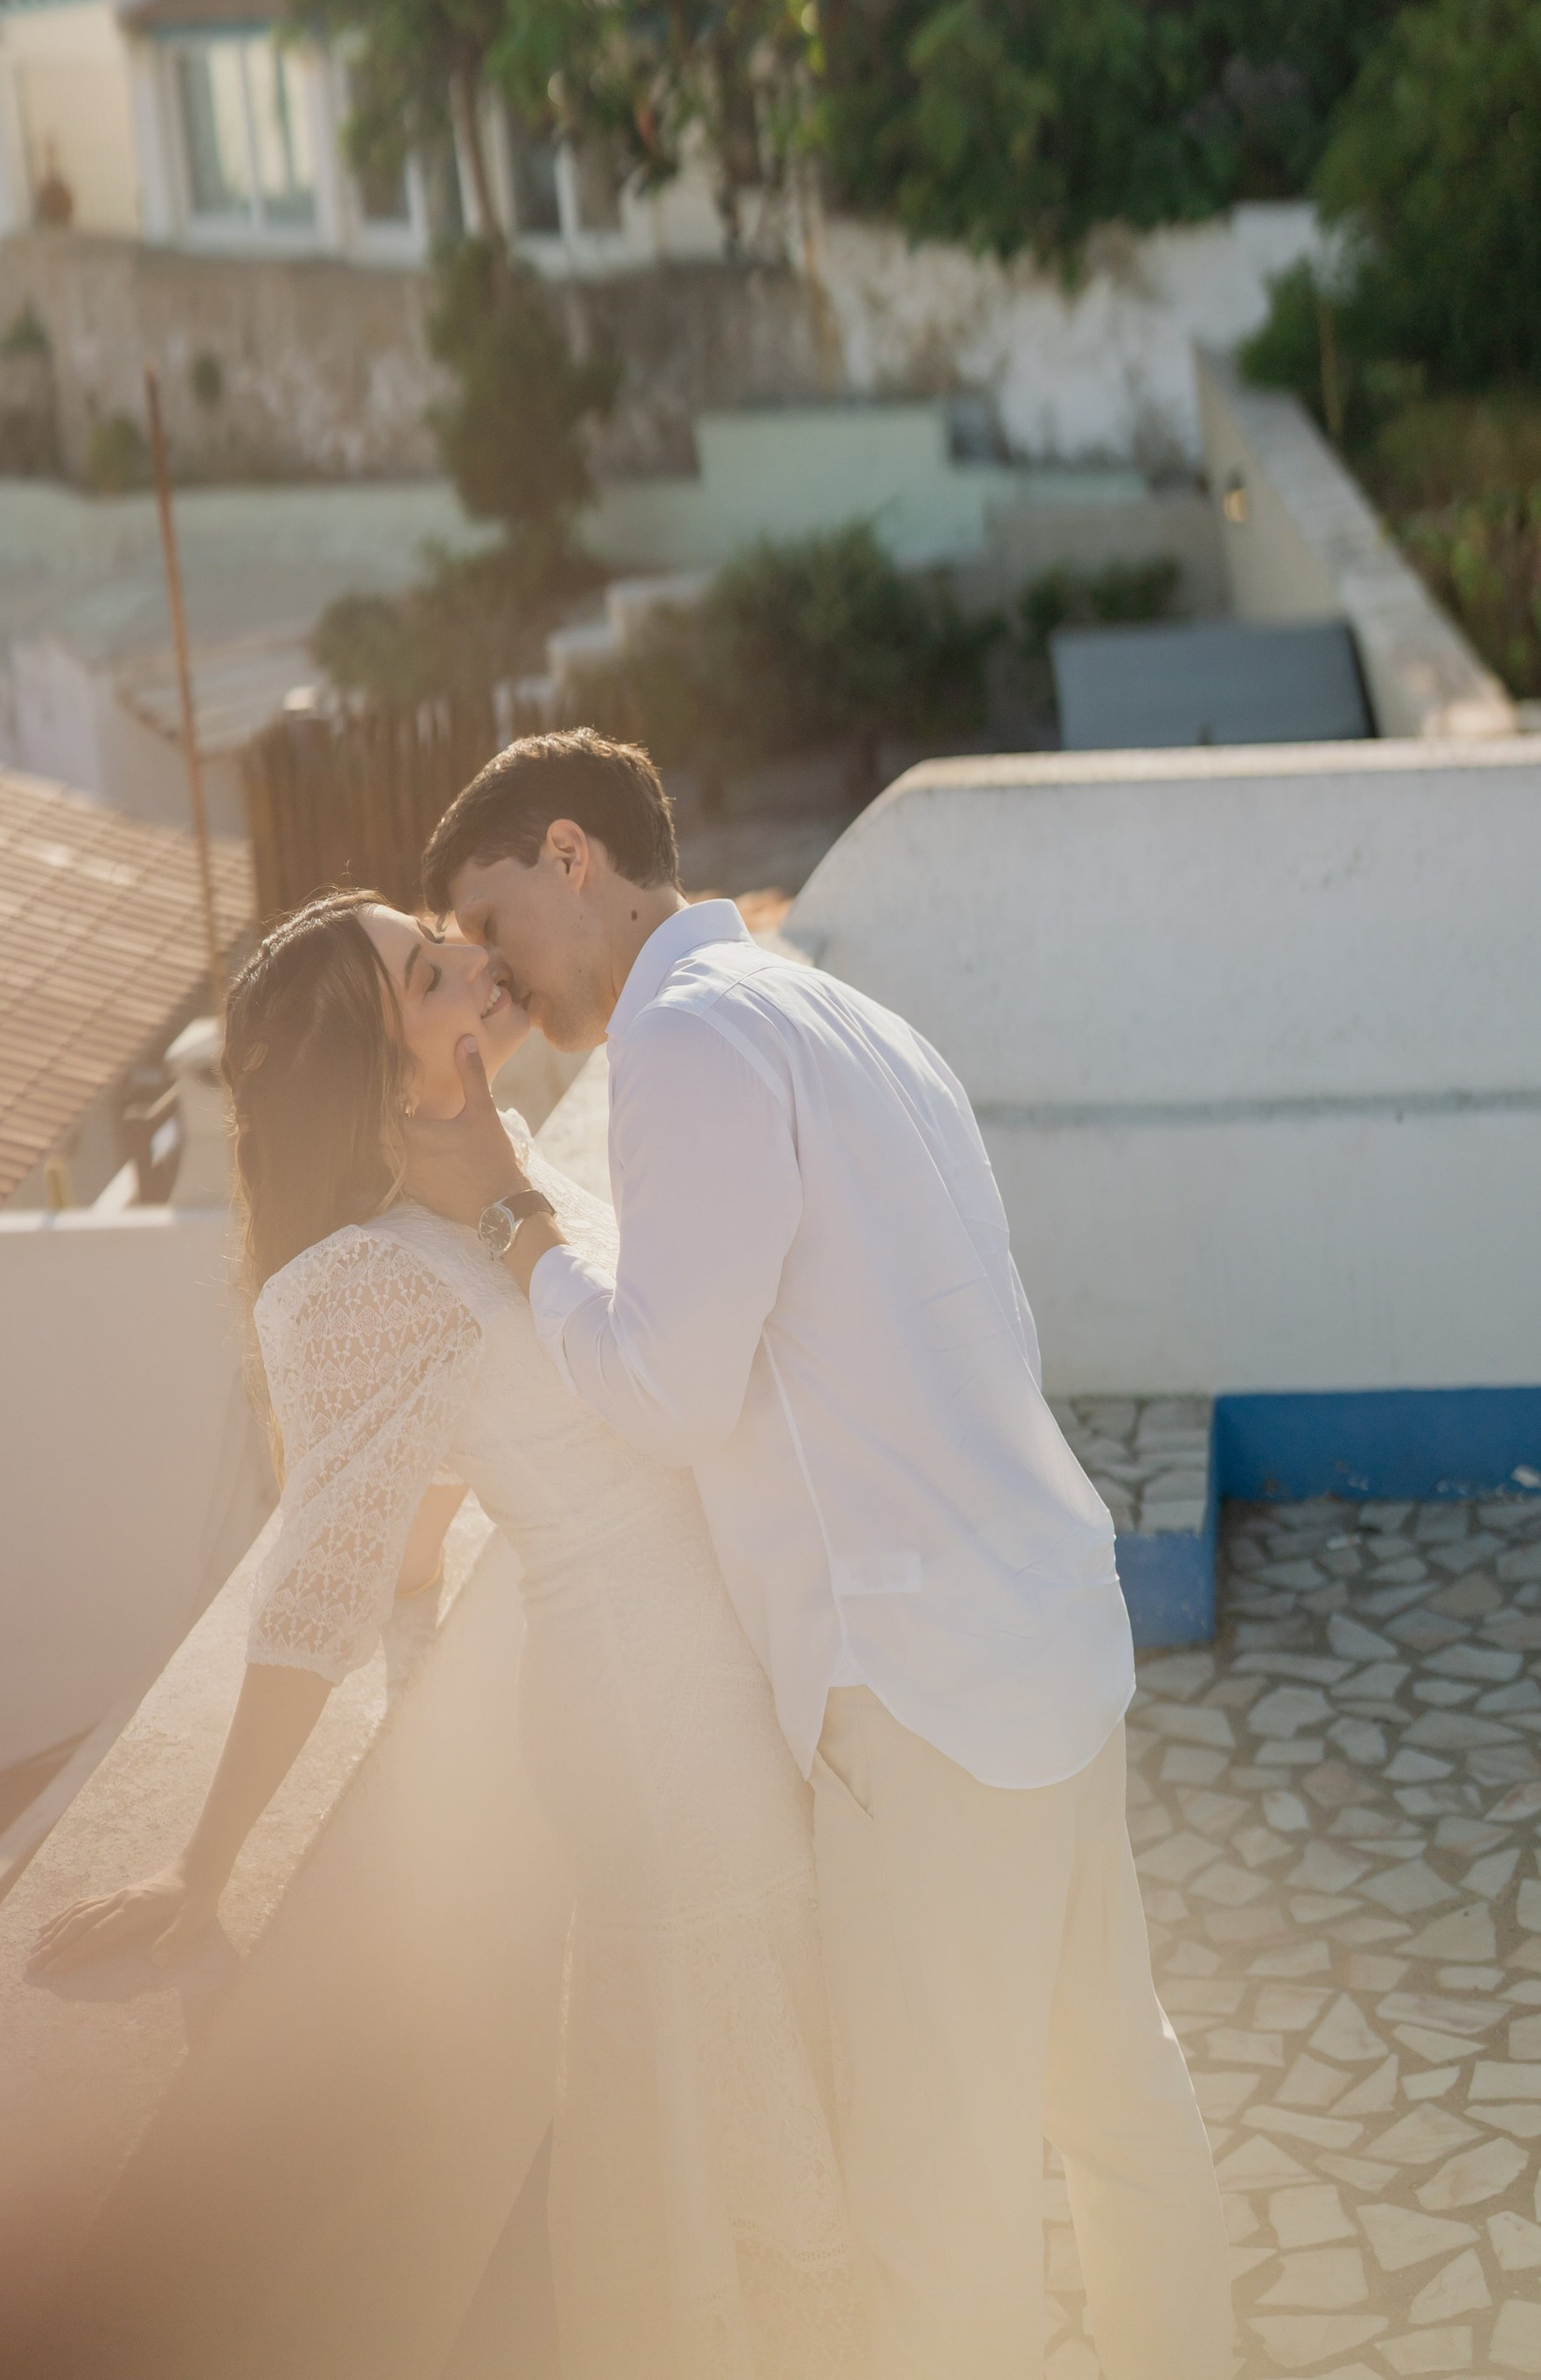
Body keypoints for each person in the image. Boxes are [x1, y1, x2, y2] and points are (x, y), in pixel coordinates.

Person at [405, 727, 1232, 2380]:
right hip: (1049, 1638)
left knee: (945, 2214)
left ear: (572, 857)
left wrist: (511, 1214)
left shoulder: (687, 1044)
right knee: (1123, 2113)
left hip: (919, 1694)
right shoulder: (835, 1007)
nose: (492, 974)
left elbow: (663, 1387)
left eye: (491, 920)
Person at [32, 886, 856, 2378]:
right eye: (430, 970)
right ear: (379, 1061)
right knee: (738, 2102)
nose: (475, 958)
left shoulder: (487, 1158)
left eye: (439, 935)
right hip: (651, 1710)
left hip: (713, 1662)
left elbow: (458, 1445)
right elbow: (313, 1587)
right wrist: (202, 1862)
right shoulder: (352, 1277)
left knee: (764, 2065)